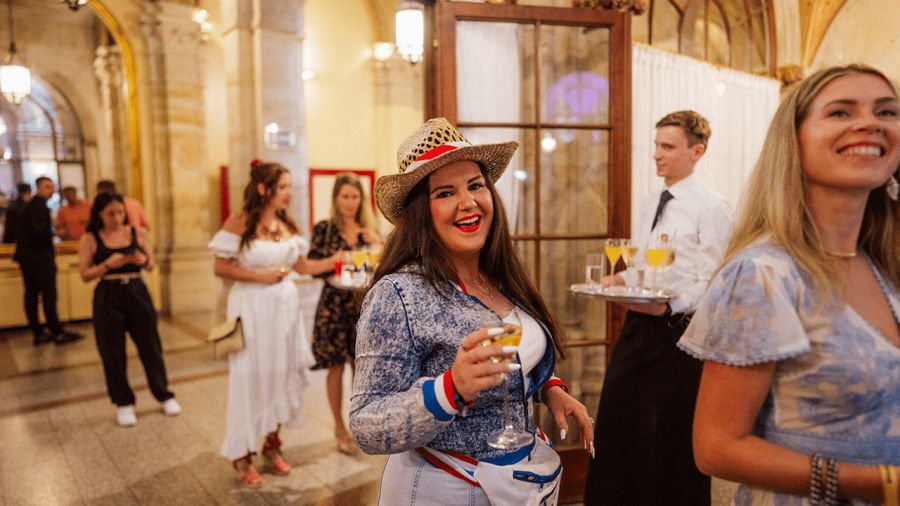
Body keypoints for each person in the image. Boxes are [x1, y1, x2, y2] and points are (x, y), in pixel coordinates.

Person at [678, 64, 899, 505]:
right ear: (793, 141)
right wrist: (883, 484)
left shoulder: (882, 264)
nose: (869, 123)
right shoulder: (762, 273)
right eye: (840, 112)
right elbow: (717, 449)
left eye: (887, 111)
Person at [350, 118, 593, 505]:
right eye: (445, 193)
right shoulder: (399, 293)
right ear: (421, 213)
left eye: (476, 186)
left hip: (518, 481)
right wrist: (451, 388)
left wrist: (547, 387)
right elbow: (366, 424)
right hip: (445, 488)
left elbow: (508, 355)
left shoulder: (499, 275)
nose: (468, 202)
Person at [584, 110, 733, 505]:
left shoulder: (713, 207)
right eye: (656, 146)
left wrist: (671, 307)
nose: (657, 155)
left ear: (697, 151)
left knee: (668, 431)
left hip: (682, 334)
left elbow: (718, 281)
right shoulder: (651, 201)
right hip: (638, 327)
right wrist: (617, 280)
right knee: (619, 420)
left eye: (667, 147)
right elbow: (644, 266)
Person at [209, 161, 341, 486]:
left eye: (289, 186)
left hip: (284, 311)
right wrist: (260, 276)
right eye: (282, 187)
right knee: (250, 378)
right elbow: (221, 267)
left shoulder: (287, 226)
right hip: (251, 308)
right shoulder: (238, 223)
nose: (288, 193)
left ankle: (272, 444)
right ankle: (241, 454)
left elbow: (303, 267)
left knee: (279, 375)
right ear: (263, 189)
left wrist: (334, 261)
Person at [78, 193, 181, 427]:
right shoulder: (91, 238)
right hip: (108, 294)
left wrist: (141, 258)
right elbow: (85, 274)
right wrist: (107, 264)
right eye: (110, 214)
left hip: (136, 291)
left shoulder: (136, 233)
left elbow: (151, 264)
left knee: (150, 346)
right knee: (112, 351)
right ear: (100, 215)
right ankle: (123, 401)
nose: (116, 218)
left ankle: (163, 393)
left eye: (120, 212)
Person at [308, 172, 380, 455]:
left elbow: (384, 264)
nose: (350, 202)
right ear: (336, 199)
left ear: (361, 199)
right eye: (345, 196)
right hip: (333, 304)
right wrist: (334, 259)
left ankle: (359, 424)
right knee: (335, 366)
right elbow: (311, 264)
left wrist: (377, 243)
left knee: (360, 367)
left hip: (362, 303)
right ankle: (338, 427)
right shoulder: (325, 228)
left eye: (355, 196)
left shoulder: (368, 229)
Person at [14, 177, 83, 346]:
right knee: (47, 294)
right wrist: (54, 234)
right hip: (39, 259)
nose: (51, 190)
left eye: (53, 187)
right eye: (47, 187)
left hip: (29, 258)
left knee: (32, 294)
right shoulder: (38, 207)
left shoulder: (32, 206)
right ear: (38, 188)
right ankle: (56, 331)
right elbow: (39, 232)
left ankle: (39, 331)